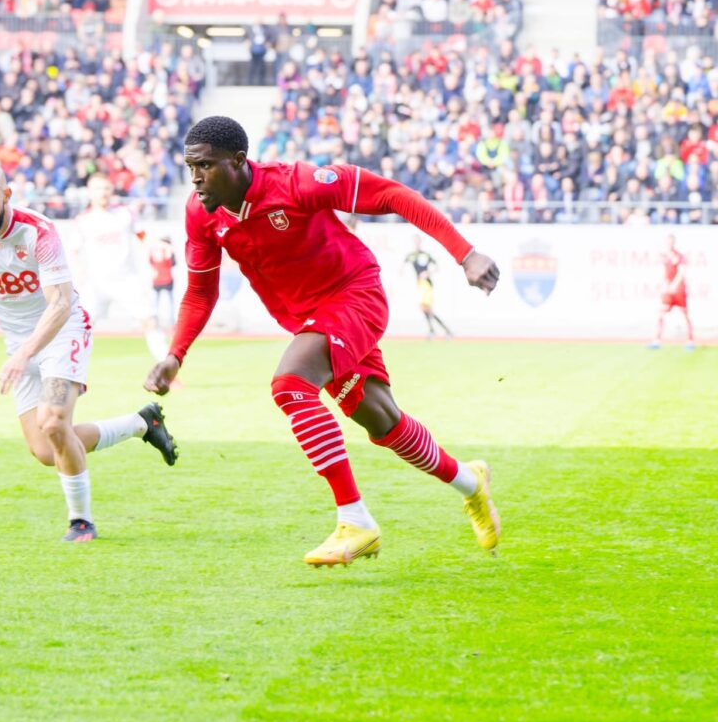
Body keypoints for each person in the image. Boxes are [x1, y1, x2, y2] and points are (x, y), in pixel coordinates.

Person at [144, 116, 502, 567]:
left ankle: (355, 520)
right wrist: (175, 354)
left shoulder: (298, 183)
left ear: (238, 162)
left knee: (290, 384)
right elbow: (201, 290)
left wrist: (465, 254)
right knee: (384, 423)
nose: (195, 178)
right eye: (189, 166)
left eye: (205, 166)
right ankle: (471, 483)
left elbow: (391, 194)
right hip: (310, 320)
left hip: (354, 295)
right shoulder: (202, 213)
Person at [0, 162, 179, 542]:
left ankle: (81, 522)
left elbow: (59, 303)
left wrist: (24, 355)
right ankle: (142, 423)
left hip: (61, 331)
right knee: (44, 448)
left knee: (53, 423)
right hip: (17, 341)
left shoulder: (38, 232)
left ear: (6, 195)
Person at [72, 174, 170, 362]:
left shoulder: (125, 213)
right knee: (80, 327)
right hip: (97, 282)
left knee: (150, 320)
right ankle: (70, 373)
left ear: (112, 191)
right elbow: (74, 251)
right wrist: (80, 273)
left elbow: (141, 235)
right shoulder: (83, 220)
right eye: (99, 189)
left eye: (107, 188)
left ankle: (167, 372)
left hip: (127, 279)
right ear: (90, 193)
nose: (103, 193)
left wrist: (156, 244)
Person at [650, 234, 695, 351]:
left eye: (670, 241)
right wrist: (662, 285)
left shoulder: (679, 256)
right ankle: (656, 340)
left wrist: (674, 285)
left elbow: (681, 272)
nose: (668, 244)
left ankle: (690, 340)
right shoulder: (665, 257)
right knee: (661, 313)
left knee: (685, 315)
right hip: (667, 291)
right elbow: (663, 273)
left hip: (678, 291)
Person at [403, 236, 453, 339]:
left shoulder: (425, 255)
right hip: (420, 285)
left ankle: (441, 331)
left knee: (426, 308)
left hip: (427, 284)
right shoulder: (411, 255)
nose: (416, 244)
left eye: (418, 241)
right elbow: (403, 265)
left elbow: (437, 267)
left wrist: (428, 273)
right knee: (424, 308)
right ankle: (435, 331)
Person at [148, 236, 177, 330]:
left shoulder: (154, 248)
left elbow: (150, 262)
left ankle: (155, 323)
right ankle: (172, 323)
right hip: (167, 278)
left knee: (155, 303)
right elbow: (173, 263)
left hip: (156, 278)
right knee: (170, 302)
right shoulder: (169, 248)